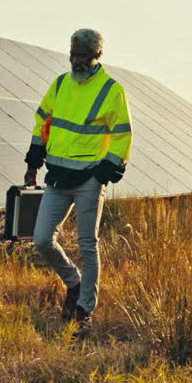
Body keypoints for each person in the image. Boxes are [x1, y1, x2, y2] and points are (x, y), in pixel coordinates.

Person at [24, 28, 132, 327]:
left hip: (88, 179)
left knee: (88, 245)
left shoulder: (112, 90)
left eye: (83, 55)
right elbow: (42, 120)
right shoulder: (60, 84)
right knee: (43, 239)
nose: (76, 60)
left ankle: (84, 309)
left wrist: (104, 173)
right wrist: (34, 159)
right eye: (73, 54)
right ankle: (74, 282)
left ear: (97, 56)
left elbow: (122, 135)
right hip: (57, 177)